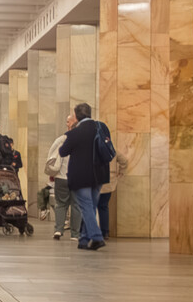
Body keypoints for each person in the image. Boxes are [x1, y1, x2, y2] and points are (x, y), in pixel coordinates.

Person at [59, 102, 112, 251]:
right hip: (100, 174)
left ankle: (96, 237)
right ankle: (83, 239)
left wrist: (69, 133)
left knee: (87, 207)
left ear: (76, 116)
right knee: (90, 207)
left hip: (81, 176)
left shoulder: (76, 132)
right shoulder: (101, 127)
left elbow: (63, 151)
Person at [44, 113, 82, 240]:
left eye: (68, 122)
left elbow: (51, 156)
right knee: (76, 205)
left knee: (61, 204)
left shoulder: (61, 139)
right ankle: (75, 234)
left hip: (61, 177)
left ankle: (58, 230)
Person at [97, 146, 130, 240]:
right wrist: (121, 173)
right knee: (103, 206)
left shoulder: (92, 148)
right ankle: (105, 232)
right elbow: (124, 161)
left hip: (95, 181)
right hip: (109, 180)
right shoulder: (111, 148)